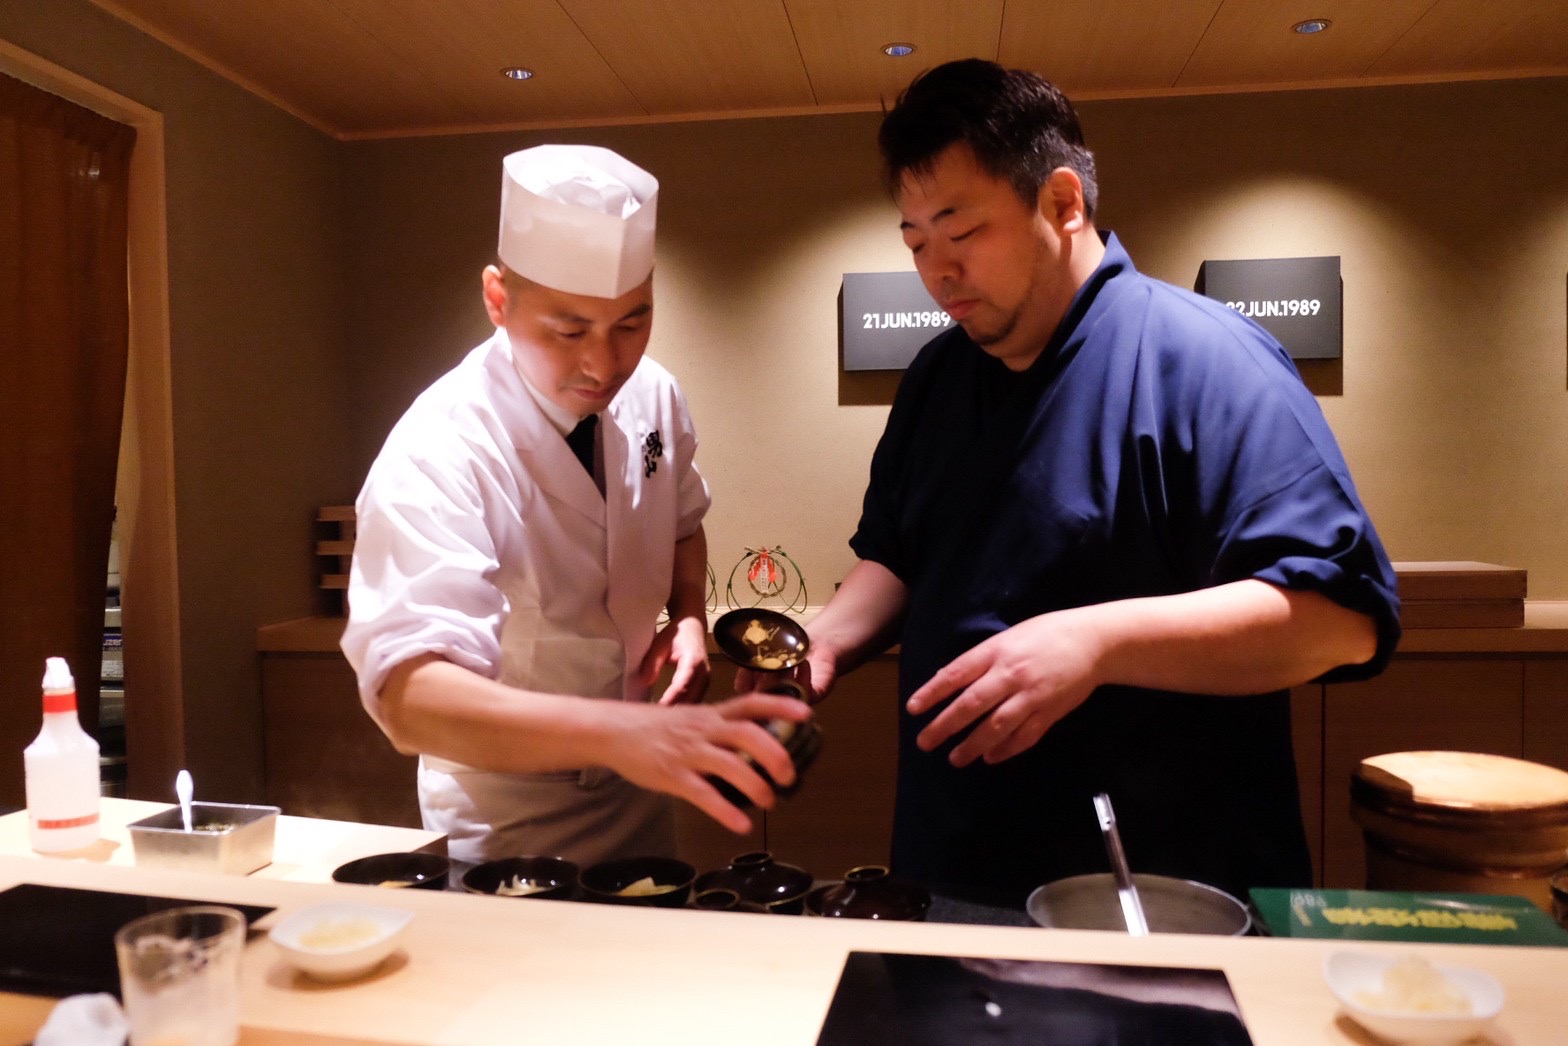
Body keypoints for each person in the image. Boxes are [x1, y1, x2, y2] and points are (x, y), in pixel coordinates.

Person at [782, 60, 1401, 906]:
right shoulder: (937, 377)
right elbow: (896, 555)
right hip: (952, 869)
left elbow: (1340, 619)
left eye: (962, 234)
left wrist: (1094, 645)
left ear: (1063, 202)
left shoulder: (1204, 359)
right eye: (917, 242)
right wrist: (822, 646)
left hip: (1159, 887)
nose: (938, 272)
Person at [342, 144, 808, 867]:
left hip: (640, 785)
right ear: (498, 299)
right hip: (508, 814)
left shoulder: (653, 393)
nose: (605, 364)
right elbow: (410, 698)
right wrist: (623, 734)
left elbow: (682, 520)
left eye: (632, 321)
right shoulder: (440, 449)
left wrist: (687, 615)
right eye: (568, 331)